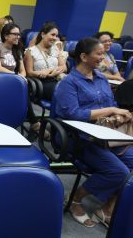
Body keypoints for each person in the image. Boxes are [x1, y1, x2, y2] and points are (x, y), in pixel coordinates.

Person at [54, 37, 133, 228]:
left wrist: (119, 117)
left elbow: (112, 105)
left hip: (106, 135)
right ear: (83, 56)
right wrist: (110, 111)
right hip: (78, 137)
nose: (103, 57)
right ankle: (76, 199)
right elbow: (72, 114)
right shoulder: (69, 82)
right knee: (119, 171)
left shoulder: (101, 79)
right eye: (99, 53)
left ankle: (107, 205)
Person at [0, 23, 48, 137]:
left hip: (10, 82)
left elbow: (23, 70)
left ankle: (27, 122)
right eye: (15, 34)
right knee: (20, 92)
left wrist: (21, 77)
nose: (18, 37)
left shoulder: (17, 50)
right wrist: (16, 77)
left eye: (19, 34)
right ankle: (34, 123)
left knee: (22, 91)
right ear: (6, 36)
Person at [24, 22, 67, 101]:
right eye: (52, 34)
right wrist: (43, 73)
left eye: (56, 36)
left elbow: (64, 67)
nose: (55, 38)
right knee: (65, 93)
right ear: (43, 34)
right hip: (42, 83)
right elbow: (29, 73)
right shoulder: (30, 51)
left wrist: (49, 70)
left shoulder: (55, 49)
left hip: (57, 79)